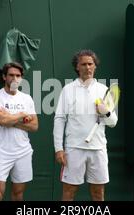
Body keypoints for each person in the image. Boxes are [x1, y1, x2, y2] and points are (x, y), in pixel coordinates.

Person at [53, 49, 118, 201]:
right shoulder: (67, 90)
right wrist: (59, 149)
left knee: (98, 194)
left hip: (98, 149)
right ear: (77, 67)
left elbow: (113, 122)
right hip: (74, 149)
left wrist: (106, 111)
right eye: (83, 64)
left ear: (95, 66)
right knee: (68, 193)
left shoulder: (103, 90)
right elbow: (59, 119)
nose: (87, 67)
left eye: (90, 64)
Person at [0, 62, 38, 201]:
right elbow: (2, 121)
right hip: (2, 152)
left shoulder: (27, 98)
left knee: (18, 193)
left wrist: (10, 118)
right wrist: (22, 115)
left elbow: (34, 126)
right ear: (4, 77)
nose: (14, 78)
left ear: (21, 78)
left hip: (23, 151)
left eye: (18, 75)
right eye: (11, 75)